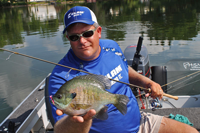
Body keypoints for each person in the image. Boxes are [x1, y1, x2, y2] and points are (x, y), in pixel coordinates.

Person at [48, 6, 198, 133]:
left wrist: (146, 82)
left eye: (87, 33)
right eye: (74, 37)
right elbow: (60, 128)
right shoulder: (60, 76)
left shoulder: (111, 46)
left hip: (141, 124)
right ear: (68, 39)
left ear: (98, 31)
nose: (82, 41)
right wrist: (77, 123)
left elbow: (124, 68)